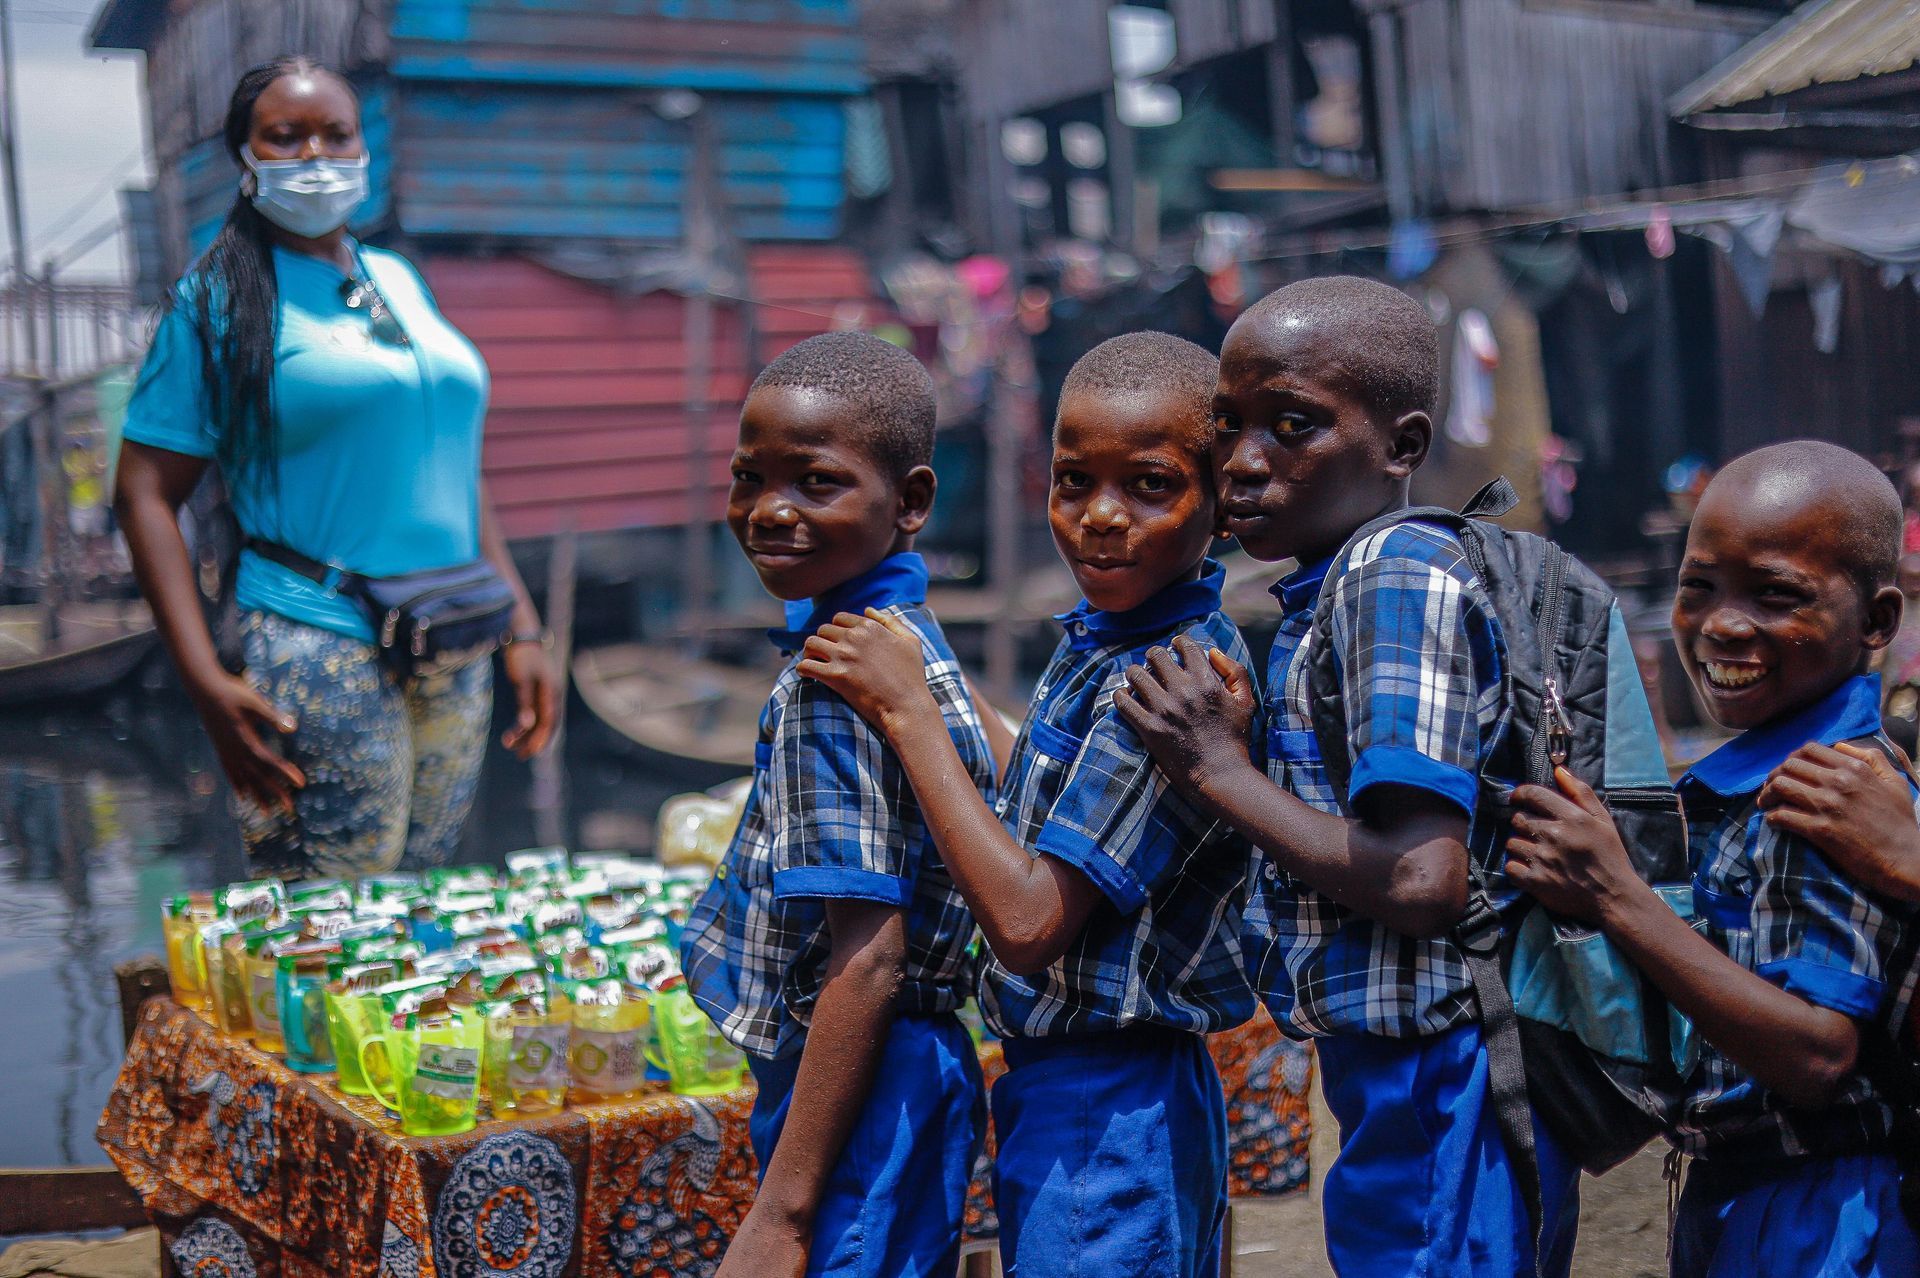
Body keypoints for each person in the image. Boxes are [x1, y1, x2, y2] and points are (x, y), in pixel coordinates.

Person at [1114, 276, 1580, 1278]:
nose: (1243, 462)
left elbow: (1421, 880)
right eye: (1228, 425)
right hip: (1400, 1071)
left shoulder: (1392, 575)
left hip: (1444, 1068)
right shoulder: (1331, 592)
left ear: (1403, 447)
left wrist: (1217, 770)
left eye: (1293, 427)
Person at [796, 332, 1255, 1277]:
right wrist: (939, 690)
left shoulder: (1168, 680)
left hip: (1108, 1101)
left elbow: (1028, 919)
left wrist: (911, 715)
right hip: (1076, 1091)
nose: (1101, 518)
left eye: (1151, 486)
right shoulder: (1108, 638)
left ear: (1222, 504)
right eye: (1073, 481)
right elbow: (1042, 783)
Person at [113, 57, 554, 879]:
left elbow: (452, 467)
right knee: (336, 908)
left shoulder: (397, 278)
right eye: (285, 137)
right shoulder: (216, 300)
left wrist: (523, 625)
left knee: (426, 898)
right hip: (318, 632)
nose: (316, 154)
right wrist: (205, 677)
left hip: (453, 625)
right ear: (246, 157)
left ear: (363, 145)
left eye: (335, 133)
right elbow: (143, 491)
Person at [1506, 441, 1920, 1278]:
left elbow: (1816, 1056)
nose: (1724, 624)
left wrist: (1619, 898)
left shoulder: (1826, 795)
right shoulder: (1749, 784)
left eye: (1777, 595)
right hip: (1744, 1195)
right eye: (1699, 589)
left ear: (1877, 622)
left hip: (1820, 1213)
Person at [678, 332, 995, 1278]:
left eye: (816, 483)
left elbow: (867, 962)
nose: (769, 511)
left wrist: (781, 1214)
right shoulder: (897, 636)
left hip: (862, 1082)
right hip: (898, 1072)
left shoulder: (835, 682)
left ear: (911, 503)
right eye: (749, 478)